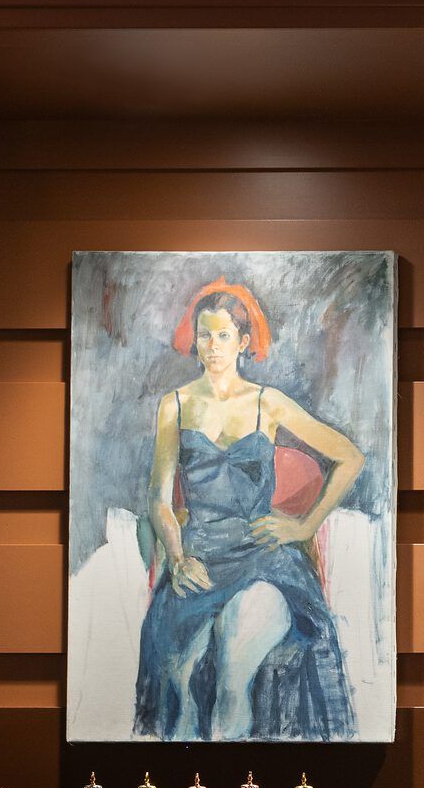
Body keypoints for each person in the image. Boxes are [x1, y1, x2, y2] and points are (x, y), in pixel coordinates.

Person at [134, 280, 365, 740]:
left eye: (223, 336)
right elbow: (159, 498)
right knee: (180, 684)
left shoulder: (268, 402)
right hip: (198, 558)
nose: (212, 347)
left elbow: (349, 457)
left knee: (233, 667)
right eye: (204, 335)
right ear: (193, 340)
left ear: (243, 342)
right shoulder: (173, 406)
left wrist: (303, 526)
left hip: (264, 559)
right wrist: (177, 560)